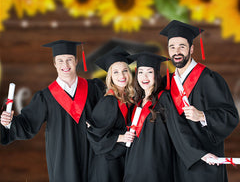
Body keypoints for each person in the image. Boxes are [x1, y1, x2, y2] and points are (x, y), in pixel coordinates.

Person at [0, 40, 104, 182]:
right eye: (60, 61)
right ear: (54, 63)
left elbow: (107, 115)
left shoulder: (94, 89)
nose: (65, 65)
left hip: (93, 158)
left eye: (69, 60)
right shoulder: (45, 97)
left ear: (76, 61)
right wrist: (9, 123)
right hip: (62, 161)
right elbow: (27, 124)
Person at [159, 20, 239, 182]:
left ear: (192, 48)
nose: (177, 51)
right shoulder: (166, 82)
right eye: (172, 47)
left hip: (205, 160)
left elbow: (231, 116)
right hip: (177, 158)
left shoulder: (209, 79)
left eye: (182, 46)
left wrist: (203, 115)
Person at [123, 52, 175, 182]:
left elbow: (176, 130)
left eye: (149, 72)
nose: (144, 77)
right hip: (134, 165)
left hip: (155, 166)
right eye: (140, 72)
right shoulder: (137, 102)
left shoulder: (164, 98)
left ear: (156, 75)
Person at [87, 46, 135, 182]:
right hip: (107, 164)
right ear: (110, 77)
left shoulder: (128, 97)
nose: (122, 76)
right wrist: (120, 137)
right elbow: (94, 134)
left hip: (120, 159)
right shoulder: (109, 101)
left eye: (125, 70)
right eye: (116, 72)